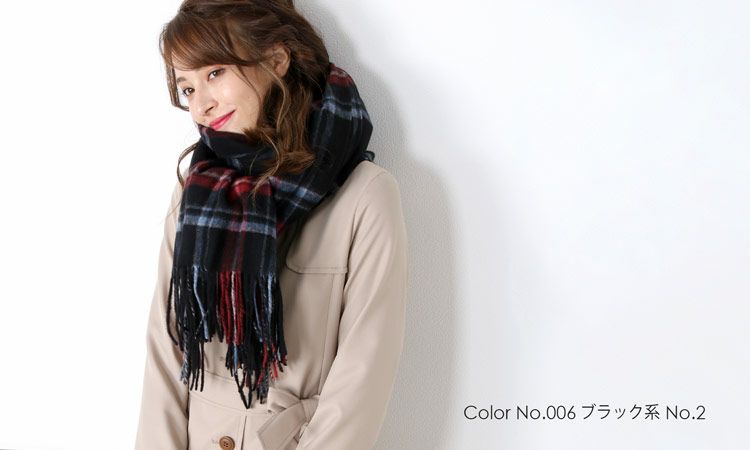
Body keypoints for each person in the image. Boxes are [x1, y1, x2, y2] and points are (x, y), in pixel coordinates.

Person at [134, 1, 409, 449]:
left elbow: (364, 374)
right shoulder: (195, 191)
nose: (201, 104)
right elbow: (166, 350)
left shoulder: (365, 195)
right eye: (187, 88)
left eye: (215, 73)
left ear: (276, 59)